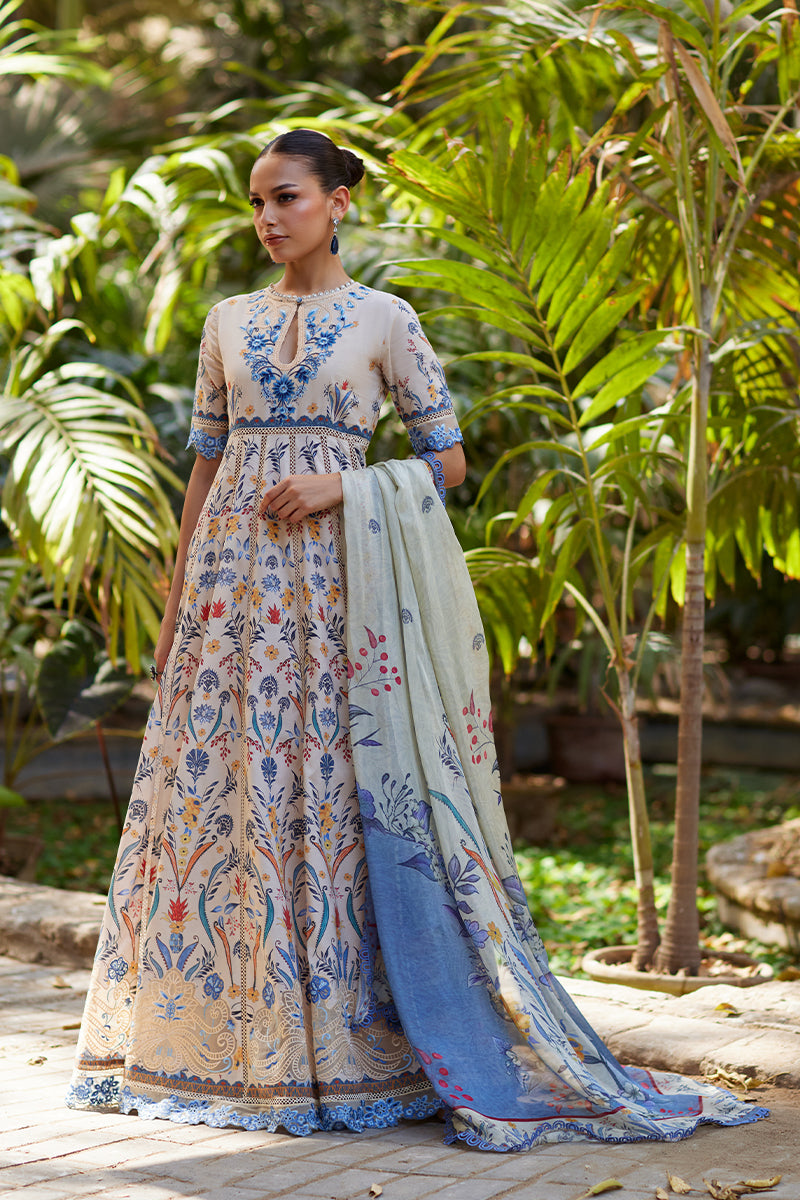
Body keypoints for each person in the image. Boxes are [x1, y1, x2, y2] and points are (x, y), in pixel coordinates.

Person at [67, 129, 768, 1151]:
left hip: (335, 590)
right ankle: (210, 1044)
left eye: (286, 196)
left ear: (338, 201)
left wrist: (340, 485)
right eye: (256, 201)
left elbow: (446, 460)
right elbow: (207, 467)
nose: (267, 218)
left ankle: (347, 1045)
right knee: (223, 792)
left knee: (325, 791)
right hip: (230, 595)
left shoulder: (384, 320)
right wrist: (180, 601)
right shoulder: (226, 322)